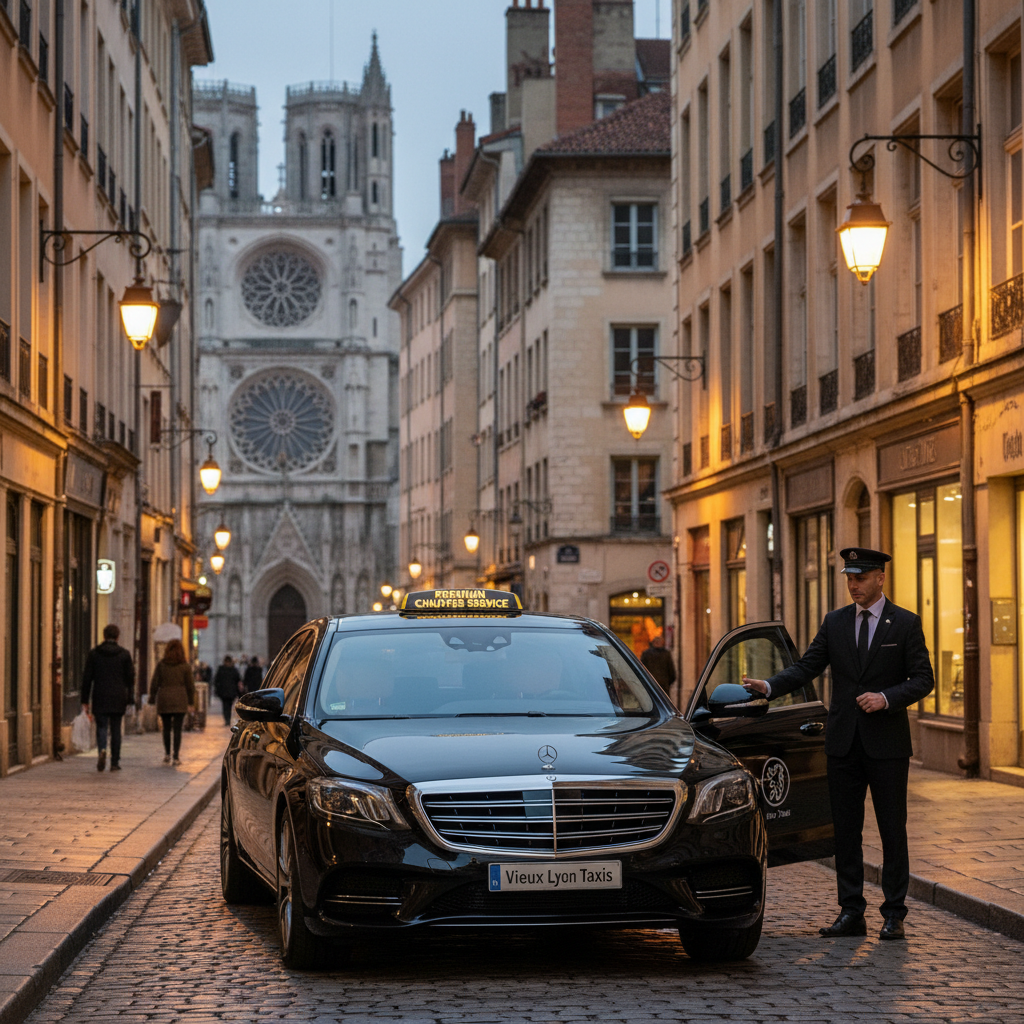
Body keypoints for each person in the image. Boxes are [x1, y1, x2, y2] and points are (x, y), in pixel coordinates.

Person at [742, 547, 934, 941]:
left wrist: (886, 698)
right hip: (843, 743)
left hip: (887, 746)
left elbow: (923, 679)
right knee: (846, 831)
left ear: (880, 578)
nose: (853, 585)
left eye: (860, 578)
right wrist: (770, 686)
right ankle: (852, 912)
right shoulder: (836, 622)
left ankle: (894, 913)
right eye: (849, 578)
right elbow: (807, 665)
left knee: (891, 830)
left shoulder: (906, 624)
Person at [81, 624, 135, 772]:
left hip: (100, 695)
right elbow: (130, 679)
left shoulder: (94, 654)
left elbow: (87, 678)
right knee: (116, 729)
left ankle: (102, 750)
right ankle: (115, 762)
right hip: (118, 697)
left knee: (102, 727)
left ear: (104, 636)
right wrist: (130, 699)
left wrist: (85, 700)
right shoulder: (124, 655)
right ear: (118, 637)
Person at [149, 639, 196, 765]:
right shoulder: (185, 666)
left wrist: (152, 698)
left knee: (166, 728)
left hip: (164, 699)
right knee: (177, 729)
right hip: (180, 699)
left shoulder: (161, 665)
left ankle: (167, 754)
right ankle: (176, 757)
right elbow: (190, 686)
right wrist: (191, 702)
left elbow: (155, 683)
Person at [213, 655, 243, 725]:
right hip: (229, 691)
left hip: (226, 691)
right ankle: (227, 719)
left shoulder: (222, 669)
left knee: (226, 706)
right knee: (227, 705)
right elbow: (238, 679)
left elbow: (216, 680)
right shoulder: (233, 670)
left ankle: (227, 719)